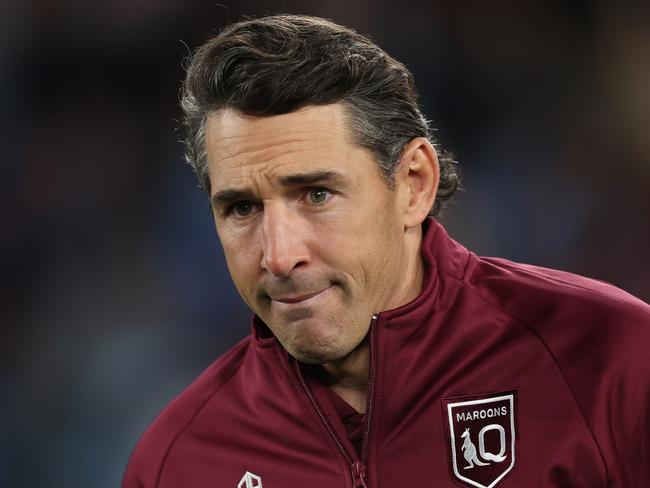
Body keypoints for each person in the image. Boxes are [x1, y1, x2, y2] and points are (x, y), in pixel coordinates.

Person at [122, 14, 650, 488]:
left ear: (414, 185)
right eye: (241, 208)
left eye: (317, 195)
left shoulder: (611, 363)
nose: (278, 256)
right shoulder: (178, 463)